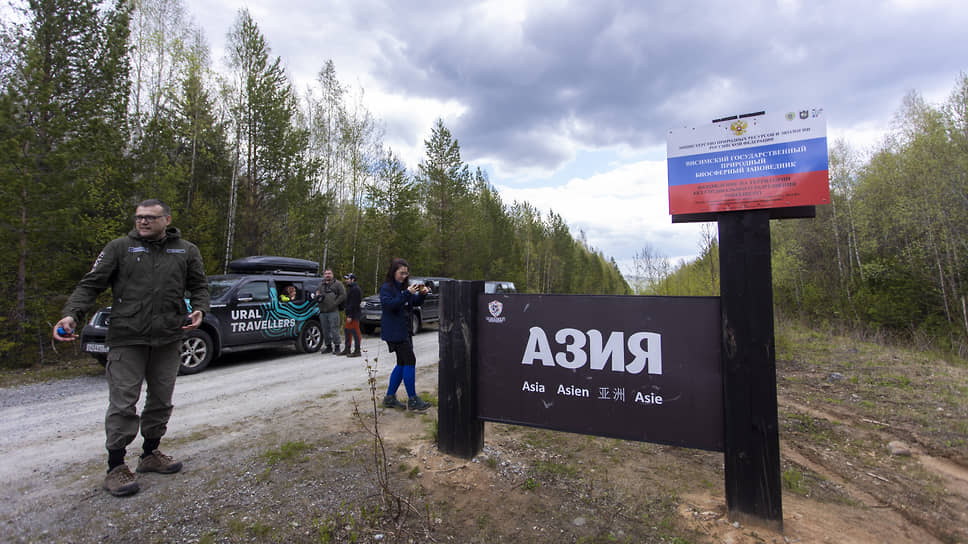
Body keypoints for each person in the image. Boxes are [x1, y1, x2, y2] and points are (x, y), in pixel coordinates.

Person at [53, 199, 209, 497]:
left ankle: (150, 454)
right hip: (127, 337)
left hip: (168, 337)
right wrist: (72, 314)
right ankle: (116, 467)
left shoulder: (186, 250)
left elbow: (200, 286)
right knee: (124, 403)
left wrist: (200, 308)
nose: (143, 222)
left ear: (167, 220)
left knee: (161, 399)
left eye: (150, 218)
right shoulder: (119, 248)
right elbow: (91, 284)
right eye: (139, 217)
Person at [379, 258, 431, 411]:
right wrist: (406, 294)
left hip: (405, 330)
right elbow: (390, 306)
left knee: (402, 363)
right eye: (401, 273)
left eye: (406, 273)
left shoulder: (404, 288)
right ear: (393, 272)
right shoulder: (387, 288)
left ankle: (389, 397)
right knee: (410, 360)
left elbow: (414, 302)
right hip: (394, 332)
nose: (404, 276)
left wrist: (422, 294)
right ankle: (413, 399)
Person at [314, 268, 346, 354]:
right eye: (326, 274)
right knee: (325, 330)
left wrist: (335, 303)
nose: (327, 275)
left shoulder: (338, 284)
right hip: (323, 311)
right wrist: (317, 297)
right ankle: (328, 346)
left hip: (333, 311)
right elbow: (316, 295)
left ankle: (337, 346)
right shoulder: (320, 285)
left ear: (332, 274)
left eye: (329, 273)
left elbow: (343, 295)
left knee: (334, 329)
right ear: (324, 275)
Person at [339, 273, 362, 357]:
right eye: (346, 279)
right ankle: (347, 349)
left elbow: (354, 304)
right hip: (351, 313)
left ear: (353, 280)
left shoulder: (355, 289)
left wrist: (350, 315)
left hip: (354, 314)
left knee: (355, 332)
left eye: (348, 279)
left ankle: (357, 350)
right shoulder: (351, 288)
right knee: (347, 330)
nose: (346, 281)